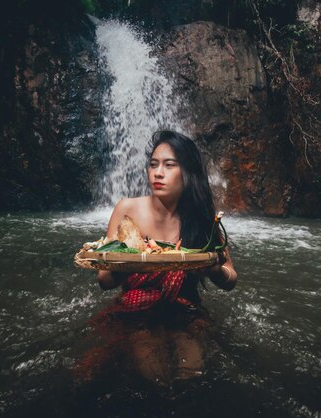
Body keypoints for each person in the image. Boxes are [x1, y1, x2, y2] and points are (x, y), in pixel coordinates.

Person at [81, 130, 237, 386]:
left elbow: (231, 279)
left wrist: (213, 269)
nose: (158, 173)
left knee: (192, 373)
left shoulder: (202, 218)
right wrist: (131, 259)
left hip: (184, 309)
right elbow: (104, 281)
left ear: (188, 172)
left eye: (169, 165)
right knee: (154, 377)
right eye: (153, 165)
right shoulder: (127, 209)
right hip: (136, 310)